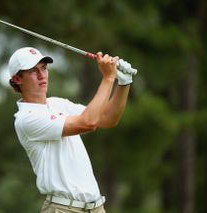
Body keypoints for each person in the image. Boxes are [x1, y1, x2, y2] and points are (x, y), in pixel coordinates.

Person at [7, 47, 134, 213]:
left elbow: (107, 119)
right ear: (17, 79)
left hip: (96, 207)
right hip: (63, 209)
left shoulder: (58, 104)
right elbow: (88, 122)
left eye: (44, 68)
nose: (41, 75)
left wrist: (123, 84)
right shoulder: (26, 118)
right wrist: (108, 78)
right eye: (33, 71)